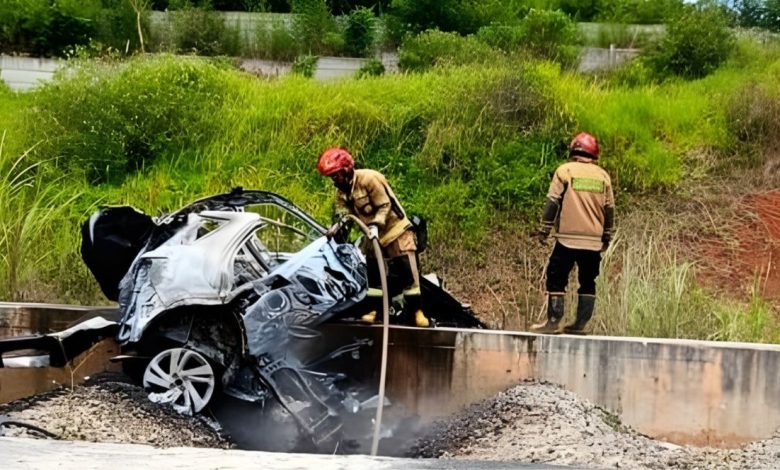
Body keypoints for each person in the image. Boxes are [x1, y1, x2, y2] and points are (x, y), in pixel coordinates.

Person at [317, 147, 430, 328]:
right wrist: (336, 228)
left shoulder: (370, 179)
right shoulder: (342, 192)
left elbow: (385, 205)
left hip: (395, 231)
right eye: (331, 177)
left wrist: (376, 225)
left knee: (407, 272)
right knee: (374, 275)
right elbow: (344, 215)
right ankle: (374, 310)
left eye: (335, 175)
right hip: (372, 235)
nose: (334, 180)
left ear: (345, 171)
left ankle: (417, 312)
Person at [530, 132, 615, 335]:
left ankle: (553, 321)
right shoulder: (603, 176)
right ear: (594, 153)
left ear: (574, 150)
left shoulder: (565, 171)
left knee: (556, 276)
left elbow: (552, 202)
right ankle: (579, 324)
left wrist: (544, 229)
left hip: (567, 239)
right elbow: (609, 209)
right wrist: (607, 236)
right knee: (588, 281)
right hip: (593, 242)